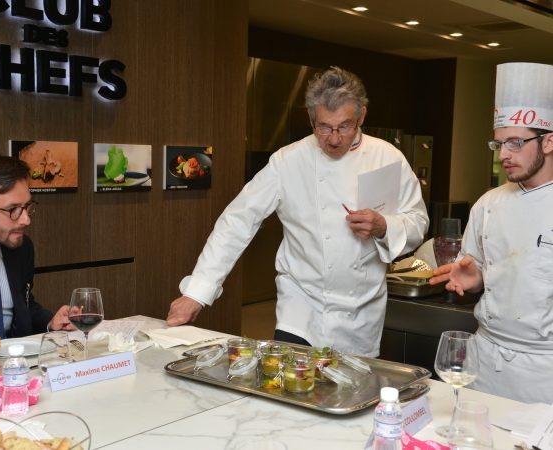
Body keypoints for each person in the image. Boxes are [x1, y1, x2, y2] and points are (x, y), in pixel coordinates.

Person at [167, 67, 429, 356]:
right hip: (300, 308)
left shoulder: (388, 158)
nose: (333, 138)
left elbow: (418, 222)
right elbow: (238, 221)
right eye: (323, 126)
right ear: (311, 118)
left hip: (361, 313)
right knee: (290, 390)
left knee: (349, 395)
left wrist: (384, 227)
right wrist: (197, 293)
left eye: (344, 126)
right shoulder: (288, 161)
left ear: (362, 116)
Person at [430, 62, 553, 403]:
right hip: (484, 361)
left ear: (549, 142)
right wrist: (475, 280)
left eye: (515, 143)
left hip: (545, 371)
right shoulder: (489, 203)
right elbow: (484, 274)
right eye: (498, 144)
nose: (504, 156)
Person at [0, 153, 74, 337]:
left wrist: (51, 323)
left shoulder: (21, 248)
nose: (26, 220)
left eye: (27, 207)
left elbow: (21, 305)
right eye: (13, 210)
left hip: (13, 360)